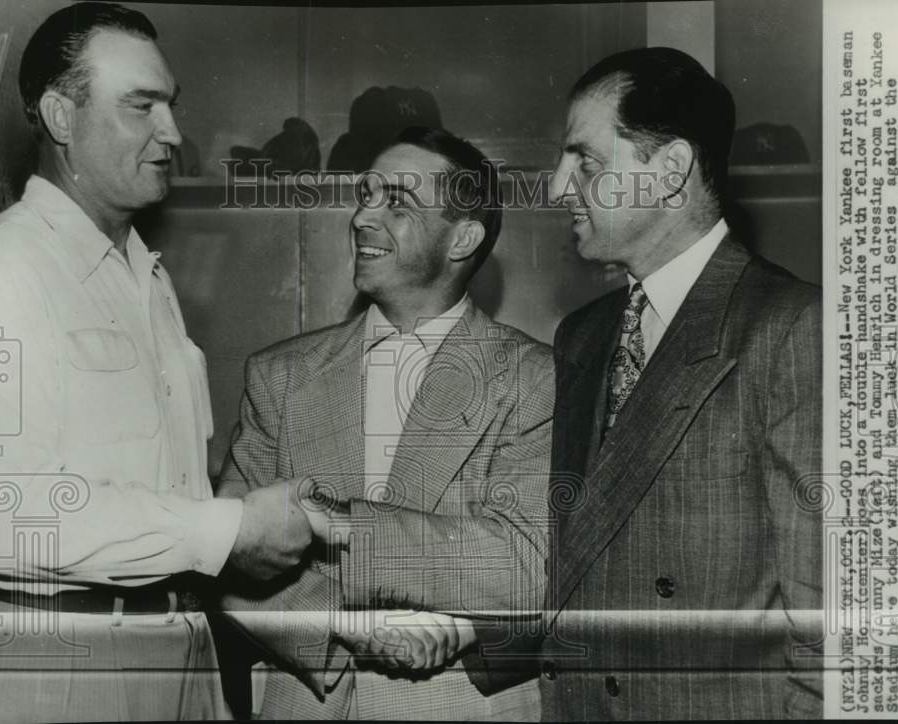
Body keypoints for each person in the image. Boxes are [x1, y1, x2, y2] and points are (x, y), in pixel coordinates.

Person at [0, 4, 311, 722]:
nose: (172, 133)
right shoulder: (2, 271)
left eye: (171, 105)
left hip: (172, 642)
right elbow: (17, 523)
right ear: (59, 115)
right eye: (142, 106)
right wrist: (231, 530)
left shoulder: (142, 273)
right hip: (55, 663)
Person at [474, 47, 824, 719]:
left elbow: (832, 639)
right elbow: (578, 570)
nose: (556, 187)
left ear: (670, 172)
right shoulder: (583, 336)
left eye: (587, 162)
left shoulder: (793, 329)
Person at [218, 126, 555, 720]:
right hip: (308, 700)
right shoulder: (280, 375)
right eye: (366, 194)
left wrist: (461, 627)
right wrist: (342, 624)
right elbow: (228, 550)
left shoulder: (536, 378)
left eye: (396, 201)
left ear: (463, 238)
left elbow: (529, 564)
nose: (363, 217)